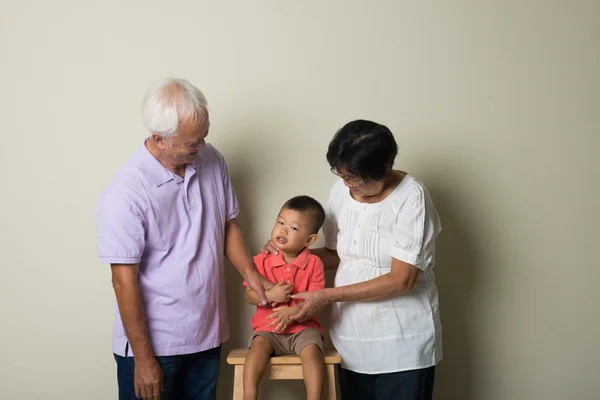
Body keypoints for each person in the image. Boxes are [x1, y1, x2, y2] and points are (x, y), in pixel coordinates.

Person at [96, 78, 272, 400]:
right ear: (159, 139)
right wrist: (144, 359)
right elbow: (123, 281)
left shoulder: (212, 160)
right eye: (192, 142)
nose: (201, 146)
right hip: (155, 346)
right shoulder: (125, 193)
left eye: (204, 136)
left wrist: (252, 275)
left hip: (207, 334)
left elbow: (227, 225)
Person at [262, 120, 442, 400]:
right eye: (342, 174)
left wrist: (326, 295)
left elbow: (402, 279)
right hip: (350, 341)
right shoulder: (341, 192)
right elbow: (336, 254)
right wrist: (285, 257)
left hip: (402, 345)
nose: (347, 184)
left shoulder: (411, 198)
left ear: (384, 168)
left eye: (355, 178)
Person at [244, 196, 327, 400]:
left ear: (309, 240)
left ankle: (314, 397)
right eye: (280, 222)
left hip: (302, 329)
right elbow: (249, 295)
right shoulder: (261, 260)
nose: (283, 230)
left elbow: (316, 300)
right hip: (268, 329)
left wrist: (293, 312)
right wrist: (270, 295)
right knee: (257, 347)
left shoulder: (314, 263)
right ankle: (249, 395)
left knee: (312, 351)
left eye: (293, 228)